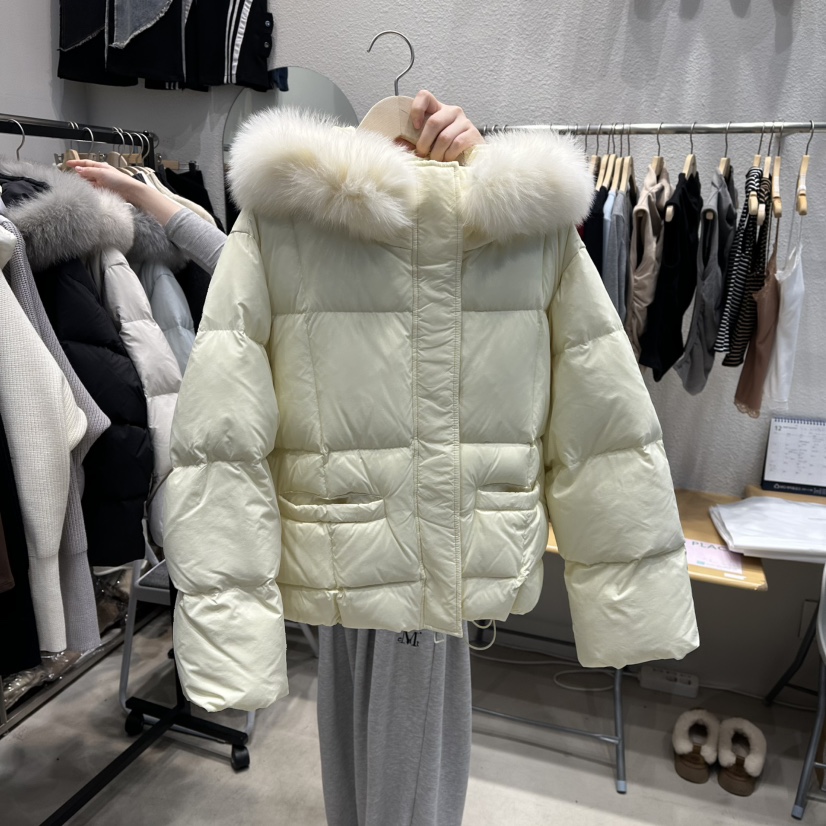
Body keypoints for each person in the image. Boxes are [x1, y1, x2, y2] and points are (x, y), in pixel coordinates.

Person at [69, 90, 485, 826]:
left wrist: (478, 169)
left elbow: (517, 301)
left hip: (419, 562)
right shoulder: (313, 262)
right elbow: (222, 251)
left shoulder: (454, 258)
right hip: (336, 552)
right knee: (350, 763)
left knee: (408, 782)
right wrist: (139, 193)